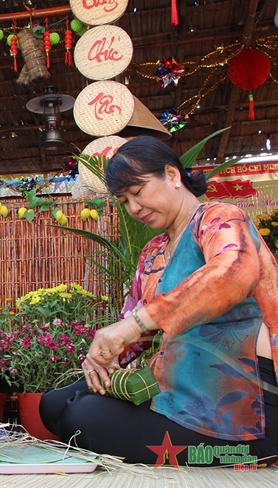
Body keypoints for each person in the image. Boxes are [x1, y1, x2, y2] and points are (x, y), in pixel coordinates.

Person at [40, 136, 278, 465]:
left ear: (172, 175)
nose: (134, 208)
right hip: (179, 388)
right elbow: (140, 326)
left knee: (80, 418)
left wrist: (133, 324)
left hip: (242, 409)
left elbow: (233, 272)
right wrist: (106, 354)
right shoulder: (153, 252)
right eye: (124, 201)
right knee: (52, 404)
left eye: (137, 193)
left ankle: (250, 451)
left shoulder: (220, 218)